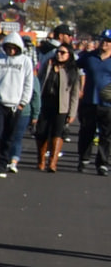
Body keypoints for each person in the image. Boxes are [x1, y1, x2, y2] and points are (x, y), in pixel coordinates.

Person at [0, 33, 35, 176]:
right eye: (8, 47)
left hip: (15, 105)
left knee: (8, 137)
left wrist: (23, 102)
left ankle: (2, 165)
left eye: (14, 48)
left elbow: (28, 83)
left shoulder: (25, 61)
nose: (11, 51)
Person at [36, 43, 84, 171]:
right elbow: (39, 79)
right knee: (41, 132)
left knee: (58, 133)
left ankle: (53, 162)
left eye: (63, 53)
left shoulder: (72, 70)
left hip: (61, 106)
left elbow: (74, 93)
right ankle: (41, 160)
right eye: (58, 52)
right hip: (45, 103)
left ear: (69, 55)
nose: (59, 55)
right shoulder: (49, 65)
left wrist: (72, 113)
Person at [77, 30, 111, 176]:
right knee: (86, 132)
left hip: (107, 105)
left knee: (106, 135)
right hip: (89, 101)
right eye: (103, 40)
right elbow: (73, 66)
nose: (105, 43)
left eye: (108, 41)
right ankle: (83, 159)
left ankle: (102, 163)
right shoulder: (89, 57)